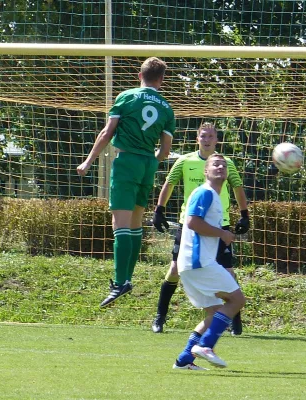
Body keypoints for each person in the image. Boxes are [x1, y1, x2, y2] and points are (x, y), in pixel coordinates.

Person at [77, 57, 175, 307]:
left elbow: (106, 132)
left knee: (119, 224)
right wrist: (150, 161)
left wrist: (88, 162)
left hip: (127, 162)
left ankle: (120, 282)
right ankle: (127, 279)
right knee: (135, 223)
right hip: (147, 165)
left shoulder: (127, 97)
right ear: (161, 80)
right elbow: (165, 151)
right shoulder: (166, 107)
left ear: (139, 75)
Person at [151, 122, 249, 334]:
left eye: (211, 136)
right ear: (197, 139)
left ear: (216, 140)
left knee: (228, 272)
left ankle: (235, 322)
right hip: (190, 225)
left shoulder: (225, 163)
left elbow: (238, 188)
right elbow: (169, 184)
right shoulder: (185, 161)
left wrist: (244, 215)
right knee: (175, 269)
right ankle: (160, 317)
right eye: (203, 136)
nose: (207, 139)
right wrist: (159, 209)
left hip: (219, 225)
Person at [173, 154, 246, 370]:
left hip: (192, 264)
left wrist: (220, 234)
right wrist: (222, 233)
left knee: (215, 313)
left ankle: (185, 358)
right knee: (237, 300)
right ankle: (206, 345)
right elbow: (192, 222)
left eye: (223, 164)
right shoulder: (205, 193)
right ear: (206, 171)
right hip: (199, 262)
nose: (221, 166)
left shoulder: (213, 195)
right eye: (215, 164)